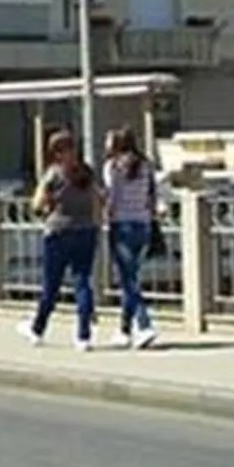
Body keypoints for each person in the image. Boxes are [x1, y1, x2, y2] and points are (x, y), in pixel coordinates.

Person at [25, 129, 100, 351]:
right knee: (82, 281)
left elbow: (37, 204)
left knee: (51, 285)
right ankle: (83, 336)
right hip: (86, 231)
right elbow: (98, 201)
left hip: (58, 232)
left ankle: (38, 329)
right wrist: (95, 224)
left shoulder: (54, 174)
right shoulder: (87, 173)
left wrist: (46, 209)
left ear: (56, 153)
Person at [101, 128, 162, 349]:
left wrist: (103, 216)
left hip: (122, 225)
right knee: (131, 277)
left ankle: (144, 325)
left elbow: (111, 197)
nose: (106, 145)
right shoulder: (146, 165)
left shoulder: (113, 167)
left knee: (128, 280)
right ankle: (124, 330)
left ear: (116, 144)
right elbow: (152, 195)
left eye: (109, 141)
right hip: (143, 224)